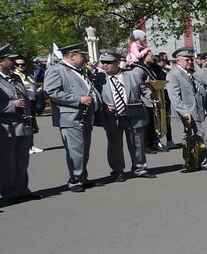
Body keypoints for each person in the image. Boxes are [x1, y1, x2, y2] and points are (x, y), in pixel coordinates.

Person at [44, 43, 98, 191]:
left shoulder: (80, 70)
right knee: (75, 150)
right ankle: (75, 180)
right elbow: (52, 92)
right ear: (72, 56)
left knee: (84, 150)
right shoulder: (57, 70)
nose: (84, 58)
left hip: (85, 115)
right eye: (82, 55)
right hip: (70, 116)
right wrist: (78, 100)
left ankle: (82, 177)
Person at [94, 51, 154, 181]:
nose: (104, 65)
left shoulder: (133, 75)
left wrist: (152, 101)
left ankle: (140, 168)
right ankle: (117, 171)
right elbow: (95, 96)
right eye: (103, 62)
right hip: (112, 115)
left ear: (116, 63)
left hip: (134, 113)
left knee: (137, 142)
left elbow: (145, 90)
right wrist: (103, 106)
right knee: (115, 144)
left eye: (108, 63)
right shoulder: (99, 78)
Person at [0, 42, 39, 203]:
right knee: (7, 161)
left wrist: (33, 120)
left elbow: (26, 100)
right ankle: (8, 192)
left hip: (23, 124)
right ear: (1, 61)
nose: (14, 62)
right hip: (6, 125)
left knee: (22, 160)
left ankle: (22, 189)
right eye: (11, 59)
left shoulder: (15, 77)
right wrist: (11, 105)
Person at [166, 47, 207, 171]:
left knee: (195, 135)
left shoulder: (189, 73)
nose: (190, 62)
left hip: (195, 110)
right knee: (194, 135)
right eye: (187, 59)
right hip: (187, 111)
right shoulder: (174, 74)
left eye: (191, 59)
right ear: (178, 60)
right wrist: (184, 111)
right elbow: (174, 96)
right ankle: (196, 161)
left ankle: (194, 161)